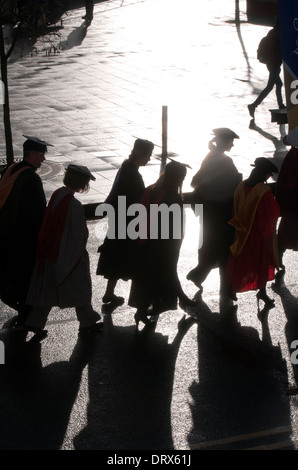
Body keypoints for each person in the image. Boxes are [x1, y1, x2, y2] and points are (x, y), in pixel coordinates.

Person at [24, 164, 102, 338]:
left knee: (48, 291)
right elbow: (79, 234)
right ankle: (87, 322)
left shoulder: (58, 194)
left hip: (51, 252)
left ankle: (34, 322)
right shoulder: (74, 205)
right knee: (81, 289)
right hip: (68, 255)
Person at [128, 161, 196, 327]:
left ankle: (143, 311)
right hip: (163, 245)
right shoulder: (170, 196)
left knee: (149, 279)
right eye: (182, 177)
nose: (183, 180)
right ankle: (179, 300)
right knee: (161, 276)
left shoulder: (152, 189)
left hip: (145, 241)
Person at [0, 135, 51, 326]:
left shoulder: (12, 168)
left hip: (7, 233)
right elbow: (37, 212)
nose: (43, 159)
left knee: (9, 272)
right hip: (23, 238)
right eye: (41, 155)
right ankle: (25, 316)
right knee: (24, 278)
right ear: (32, 154)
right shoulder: (31, 179)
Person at [186, 128, 242, 299]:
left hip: (212, 212)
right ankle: (226, 288)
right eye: (231, 141)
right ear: (224, 142)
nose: (232, 144)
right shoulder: (223, 161)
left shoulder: (211, 156)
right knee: (225, 250)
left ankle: (200, 275)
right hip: (220, 212)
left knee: (213, 247)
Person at [96, 138, 154, 305]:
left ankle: (109, 293)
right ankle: (143, 298)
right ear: (141, 154)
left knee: (116, 258)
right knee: (135, 259)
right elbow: (137, 199)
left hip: (119, 221)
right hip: (128, 223)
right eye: (148, 155)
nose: (149, 159)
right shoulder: (132, 174)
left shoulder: (126, 168)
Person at [226, 157, 280, 308]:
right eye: (269, 174)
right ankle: (262, 292)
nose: (270, 177)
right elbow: (272, 213)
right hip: (257, 234)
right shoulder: (263, 192)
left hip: (241, 232)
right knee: (260, 263)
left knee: (240, 262)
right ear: (264, 174)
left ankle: (233, 289)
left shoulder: (241, 186)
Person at [247, 18, 286, 119]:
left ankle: (280, 105)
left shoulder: (272, 32)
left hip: (270, 63)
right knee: (270, 86)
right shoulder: (278, 36)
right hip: (275, 64)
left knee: (279, 84)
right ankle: (253, 105)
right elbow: (280, 51)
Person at [275, 127, 298, 280]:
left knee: (284, 237)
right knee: (285, 237)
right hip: (294, 205)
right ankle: (278, 263)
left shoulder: (293, 154)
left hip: (291, 205)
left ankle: (278, 264)